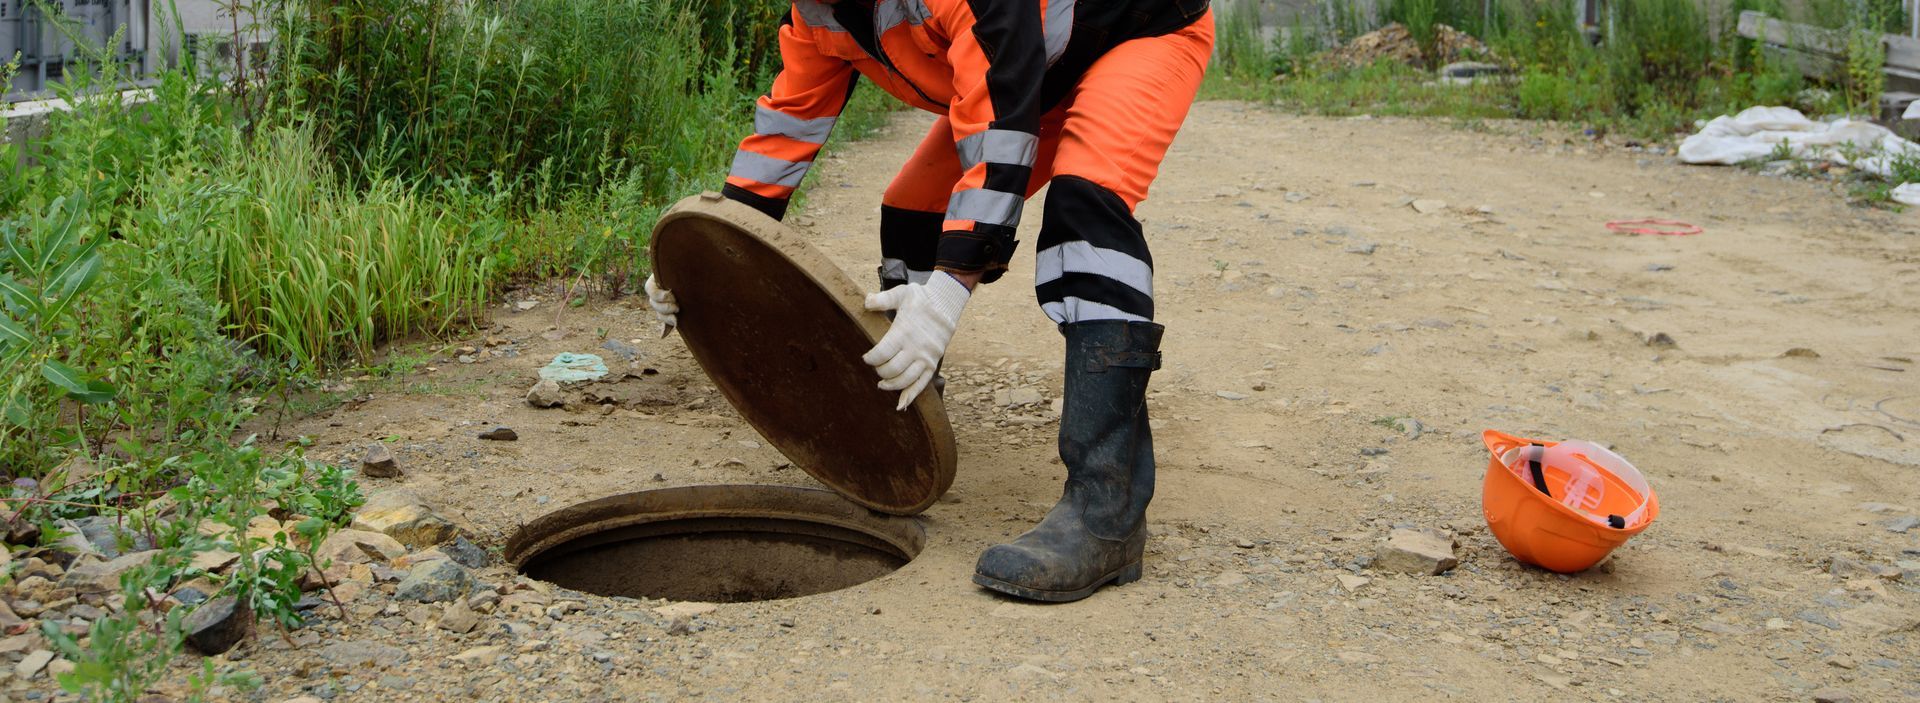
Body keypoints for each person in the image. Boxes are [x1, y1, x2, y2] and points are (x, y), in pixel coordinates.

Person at [646, 0, 1214, 603]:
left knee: (1085, 214)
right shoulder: (817, 11)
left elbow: (999, 129)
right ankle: (902, 429)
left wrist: (946, 294)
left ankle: (1107, 513)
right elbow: (789, 125)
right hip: (1030, 71)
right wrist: (710, 254)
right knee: (916, 206)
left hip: (1141, 32)